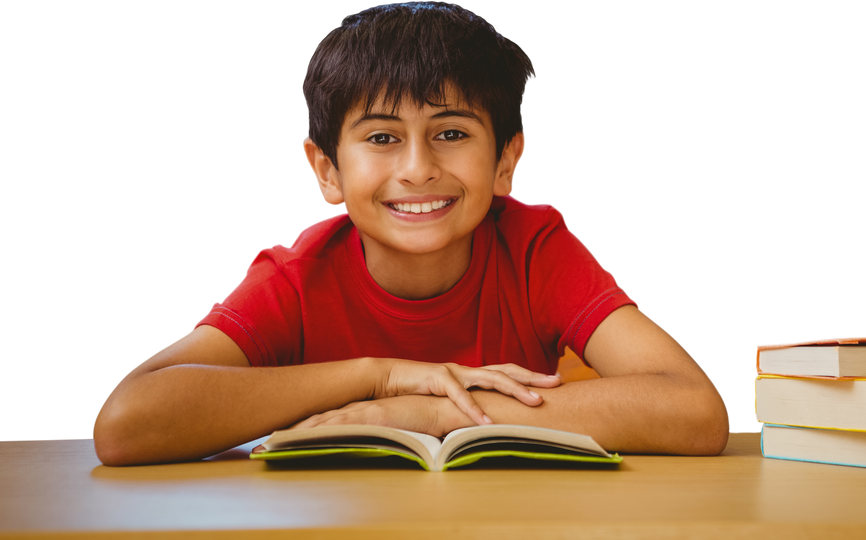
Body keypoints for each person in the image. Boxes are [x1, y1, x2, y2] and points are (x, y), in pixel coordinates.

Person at [92, 0, 731, 466]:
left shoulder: (534, 245)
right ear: (326, 170)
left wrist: (432, 411)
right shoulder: (297, 274)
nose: (419, 168)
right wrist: (381, 378)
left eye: (451, 133)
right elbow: (127, 424)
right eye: (381, 138)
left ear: (506, 160)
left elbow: (694, 411)